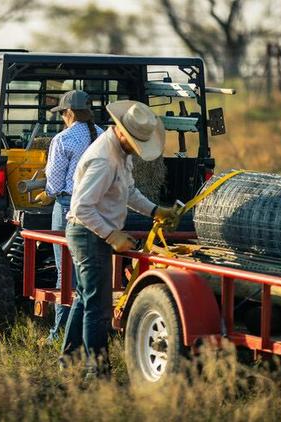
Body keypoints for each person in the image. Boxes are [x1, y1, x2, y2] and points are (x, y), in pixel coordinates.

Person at [60, 100, 178, 377]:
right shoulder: (104, 159)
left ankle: (69, 361)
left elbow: (129, 191)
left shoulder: (119, 151)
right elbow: (81, 208)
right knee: (98, 307)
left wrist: (155, 210)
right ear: (123, 132)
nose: (137, 149)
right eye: (135, 142)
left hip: (93, 231)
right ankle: (96, 371)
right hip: (88, 233)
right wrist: (112, 235)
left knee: (85, 300)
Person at [34, 90, 104, 344]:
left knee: (66, 274)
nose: (63, 118)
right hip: (100, 209)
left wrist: (46, 193)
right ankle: (91, 332)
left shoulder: (63, 139)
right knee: (91, 274)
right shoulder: (104, 136)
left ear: (70, 113)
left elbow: (53, 183)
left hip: (67, 207)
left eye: (63, 113)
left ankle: (59, 333)